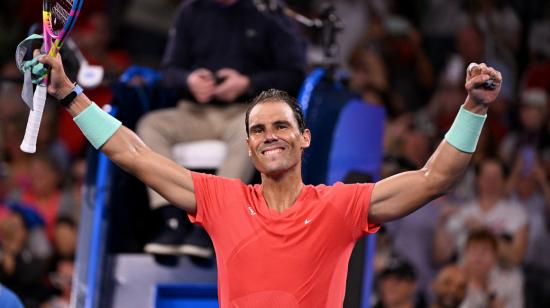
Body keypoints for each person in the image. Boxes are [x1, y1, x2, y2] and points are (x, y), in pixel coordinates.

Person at [37, 50, 501, 306]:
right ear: (248, 147)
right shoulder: (220, 199)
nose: (270, 136)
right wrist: (69, 94)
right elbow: (134, 155)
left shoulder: (340, 206)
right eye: (258, 129)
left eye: (281, 126)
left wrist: (473, 110)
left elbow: (433, 178)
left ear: (305, 139)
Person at [135, 0, 306, 258]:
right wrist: (189, 80)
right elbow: (169, 70)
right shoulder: (190, 11)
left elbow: (294, 73)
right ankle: (172, 219)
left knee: (250, 132)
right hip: (195, 112)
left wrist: (247, 83)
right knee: (151, 126)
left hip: (246, 111)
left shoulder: (267, 11)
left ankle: (211, 223)